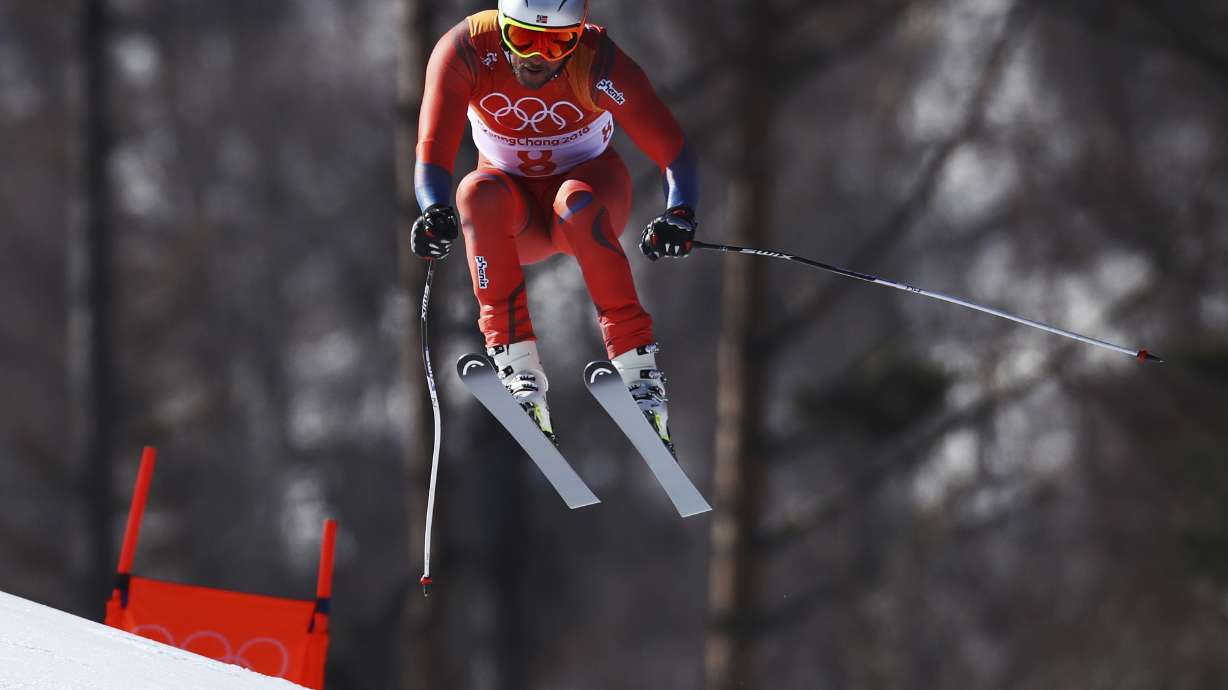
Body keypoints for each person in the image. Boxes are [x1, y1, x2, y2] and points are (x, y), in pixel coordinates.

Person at [410, 0, 698, 450]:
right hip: (513, 214)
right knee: (474, 193)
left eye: (557, 42)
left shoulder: (597, 62)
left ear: (578, 35)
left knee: (575, 202)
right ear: (503, 26)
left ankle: (639, 374)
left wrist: (680, 212)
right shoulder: (466, 49)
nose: (538, 57)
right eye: (524, 38)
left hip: (590, 196)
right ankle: (517, 368)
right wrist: (433, 209)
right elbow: (432, 150)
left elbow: (672, 151)